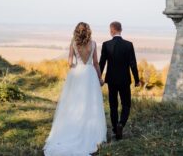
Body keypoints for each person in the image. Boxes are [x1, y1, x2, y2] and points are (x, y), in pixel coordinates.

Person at [43, 22, 107, 156]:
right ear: (88, 31)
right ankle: (90, 132)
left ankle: (72, 127)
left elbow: (69, 62)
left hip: (77, 74)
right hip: (90, 74)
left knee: (73, 103)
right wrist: (100, 78)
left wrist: (75, 68)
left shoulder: (73, 43)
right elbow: (96, 63)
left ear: (77, 31)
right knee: (91, 104)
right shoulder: (94, 43)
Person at [99, 21, 140, 140]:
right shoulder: (128, 45)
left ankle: (114, 128)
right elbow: (133, 64)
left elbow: (102, 63)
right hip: (124, 80)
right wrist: (137, 80)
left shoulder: (106, 44)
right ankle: (121, 124)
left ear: (112, 30)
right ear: (120, 30)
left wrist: (99, 77)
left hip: (111, 80)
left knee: (113, 106)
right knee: (126, 104)